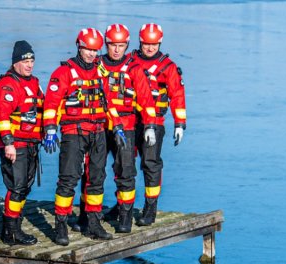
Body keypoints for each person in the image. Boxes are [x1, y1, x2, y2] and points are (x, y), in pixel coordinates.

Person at [42, 28, 127, 246]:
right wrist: (50, 129)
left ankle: (93, 222)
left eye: (94, 50)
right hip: (73, 131)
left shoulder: (100, 71)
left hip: (98, 131)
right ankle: (61, 223)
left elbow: (109, 102)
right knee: (69, 178)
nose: (91, 53)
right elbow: (51, 104)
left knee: (97, 178)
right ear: (79, 47)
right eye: (87, 49)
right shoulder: (63, 73)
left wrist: (117, 127)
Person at [99, 24, 158, 233]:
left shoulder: (134, 68)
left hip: (126, 125)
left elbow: (146, 98)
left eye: (121, 45)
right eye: (113, 45)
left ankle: (125, 216)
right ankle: (87, 216)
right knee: (92, 172)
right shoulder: (97, 66)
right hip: (98, 126)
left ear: (127, 45)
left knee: (126, 170)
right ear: (106, 44)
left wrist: (150, 126)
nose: (116, 50)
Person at [129, 23, 187, 227]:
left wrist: (180, 124)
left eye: (154, 44)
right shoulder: (130, 60)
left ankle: (150, 207)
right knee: (124, 165)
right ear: (140, 42)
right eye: (146, 44)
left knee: (150, 164)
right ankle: (123, 206)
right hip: (129, 120)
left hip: (155, 123)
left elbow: (177, 96)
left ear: (160, 43)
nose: (150, 48)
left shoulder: (168, 67)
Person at [0, 41, 43, 246]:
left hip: (31, 143)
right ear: (15, 63)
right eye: (25, 61)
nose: (29, 65)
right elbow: (2, 117)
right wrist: (8, 143)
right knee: (17, 187)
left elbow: (43, 105)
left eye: (31, 60)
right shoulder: (7, 85)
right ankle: (11, 232)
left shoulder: (34, 82)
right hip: (16, 144)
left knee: (24, 187)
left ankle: (11, 227)